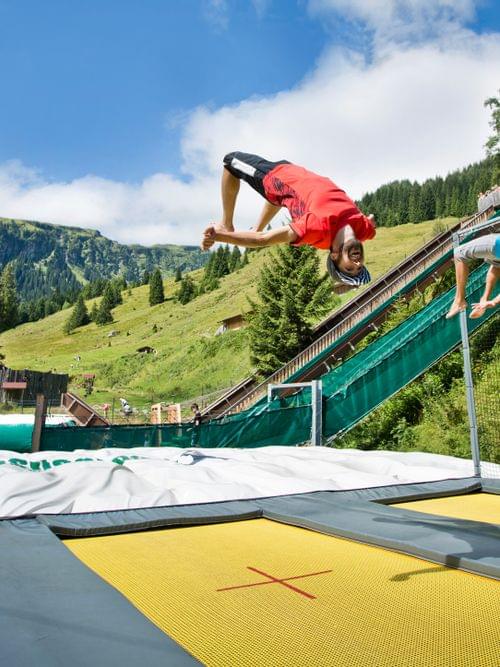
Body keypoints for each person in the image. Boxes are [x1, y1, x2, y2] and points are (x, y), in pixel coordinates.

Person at [201, 151, 376, 292]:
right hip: (296, 174)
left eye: (349, 269)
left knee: (230, 162)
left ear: (335, 256)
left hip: (277, 178)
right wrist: (369, 222)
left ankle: (226, 222)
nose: (358, 264)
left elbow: (263, 239)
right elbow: (370, 222)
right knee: (285, 198)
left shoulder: (316, 229)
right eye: (360, 268)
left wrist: (220, 235)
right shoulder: (364, 230)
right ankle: (256, 226)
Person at [446, 234, 500, 319]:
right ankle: (484, 300)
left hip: (497, 244)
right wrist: (494, 302)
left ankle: (459, 300)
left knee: (459, 254)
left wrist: (494, 302)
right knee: (497, 265)